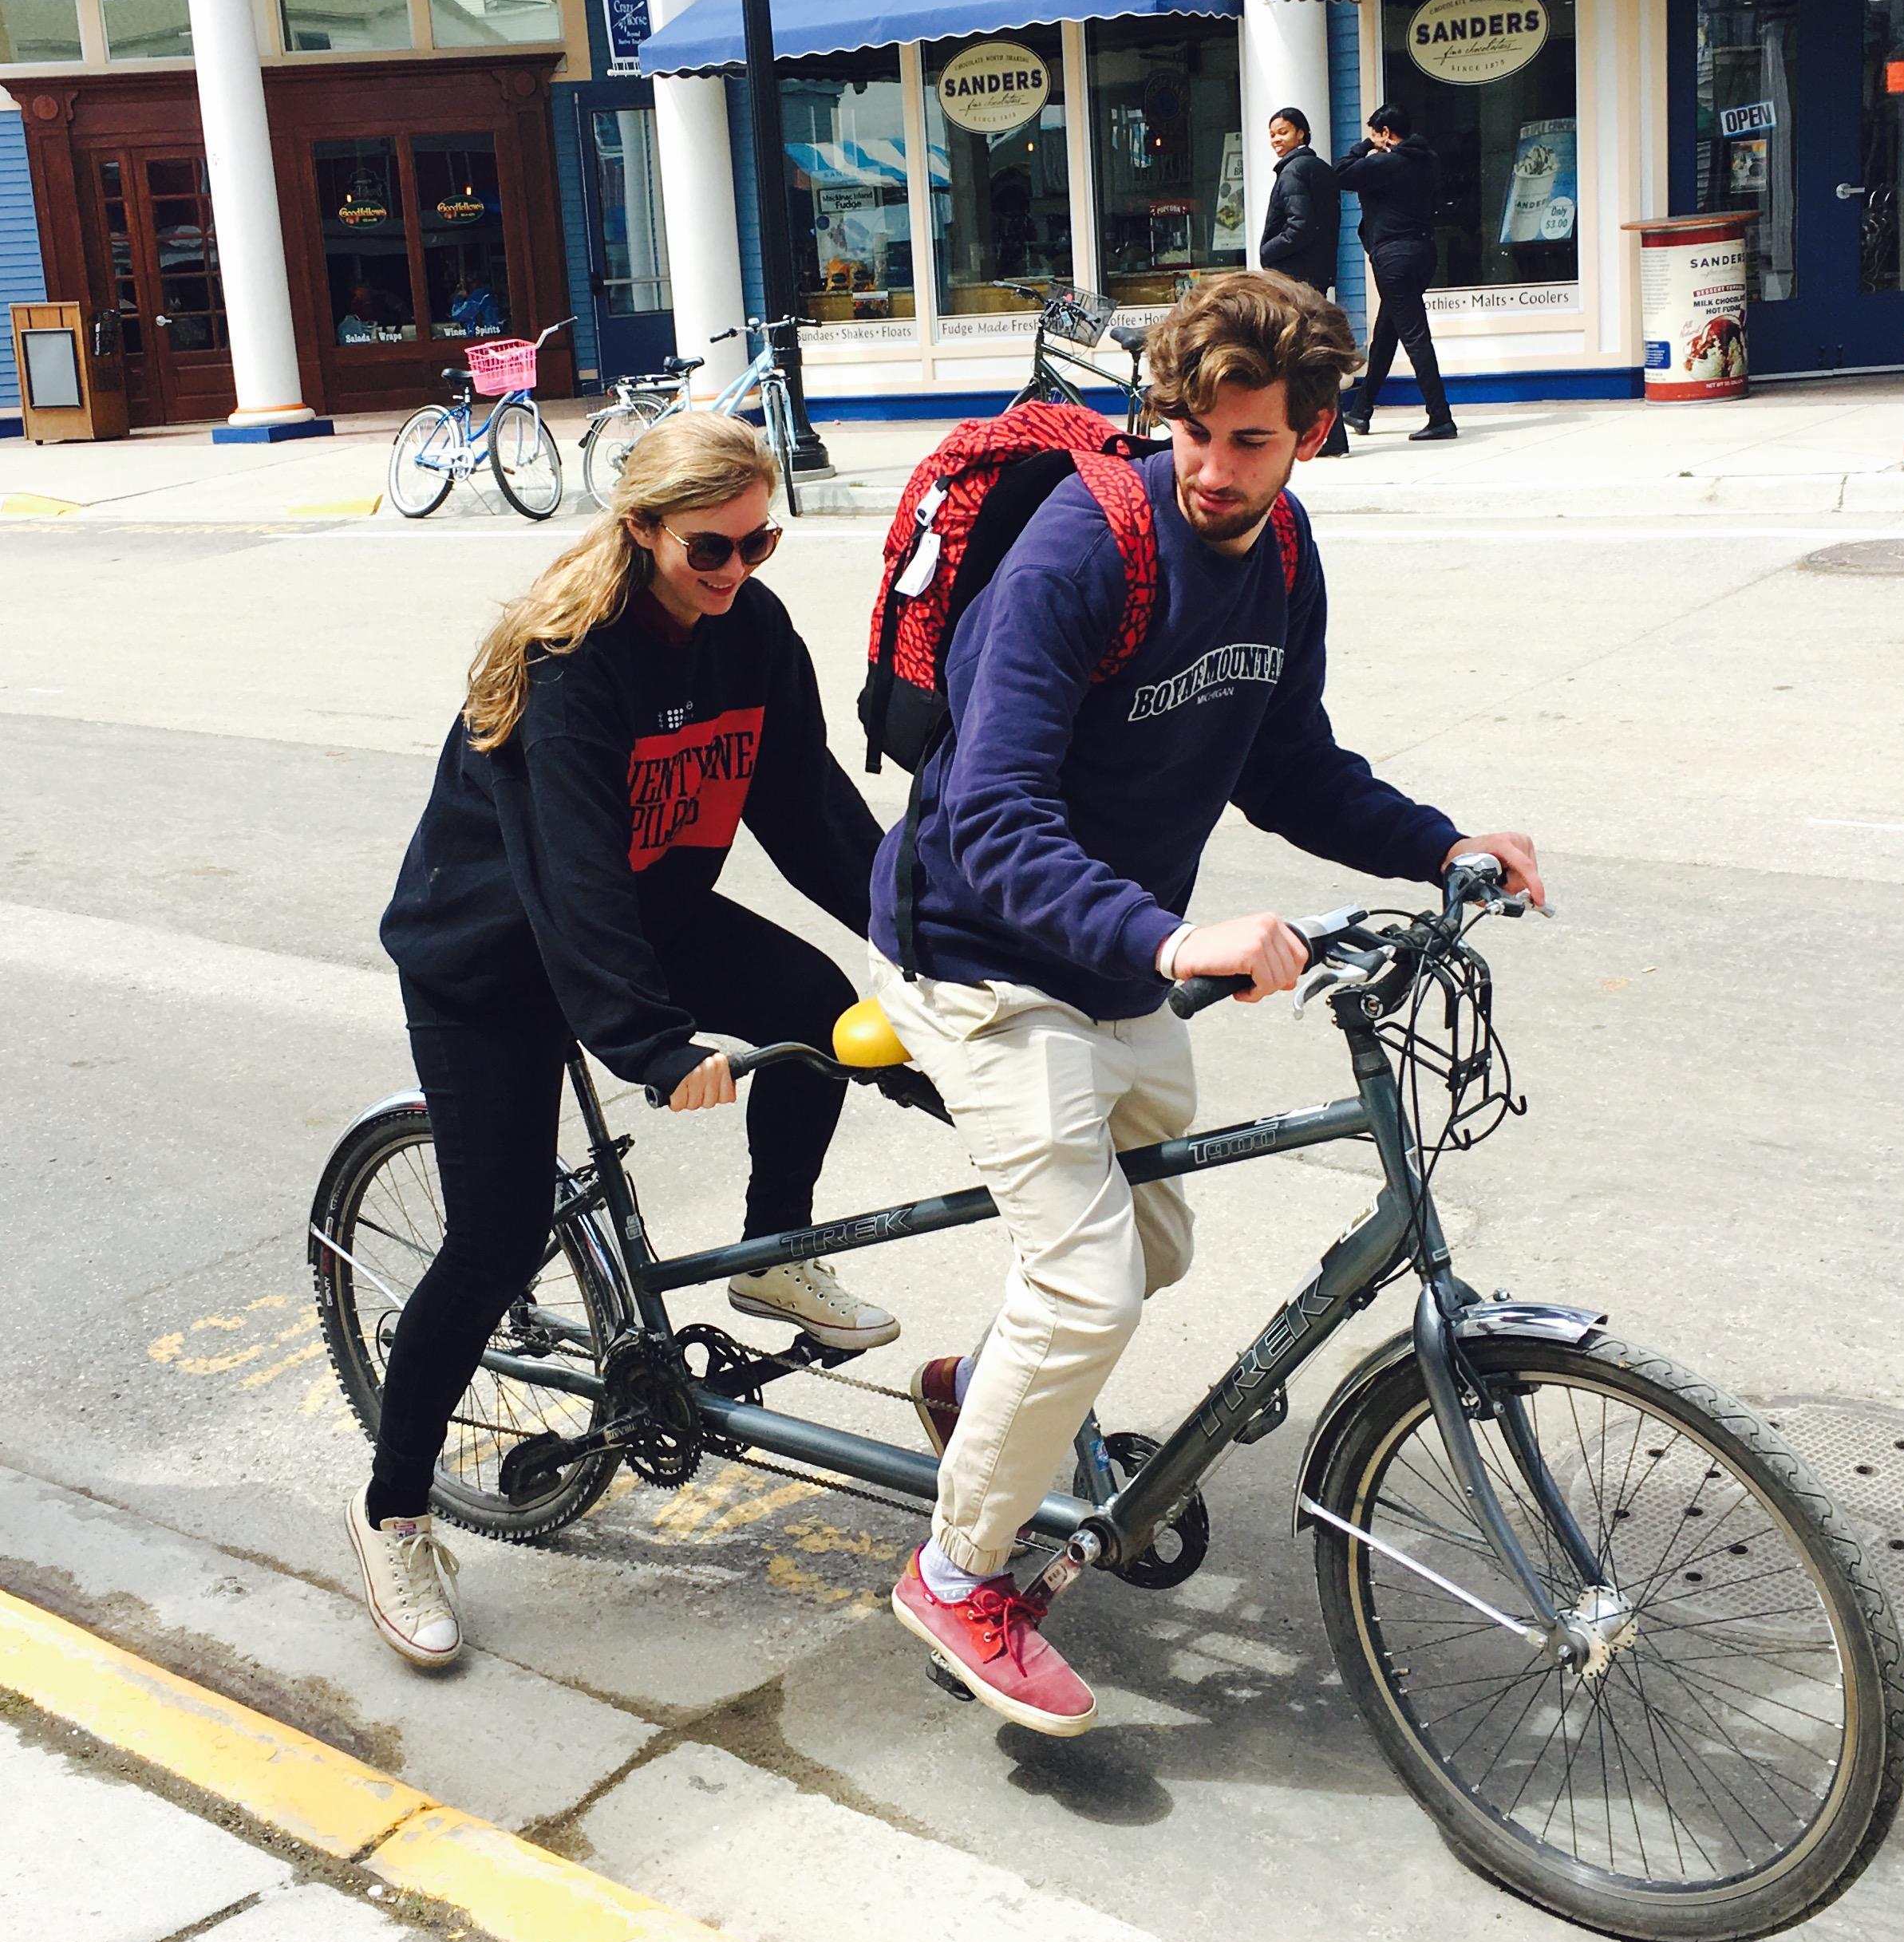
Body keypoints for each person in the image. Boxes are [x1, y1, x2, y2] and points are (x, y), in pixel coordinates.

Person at [869, 271, 1541, 1735]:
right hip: (979, 957)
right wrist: (1173, 938)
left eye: (1249, 441)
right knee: (1088, 1278)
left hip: (1120, 951)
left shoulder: (1281, 552)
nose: (1212, 469)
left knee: (1153, 1240)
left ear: (1312, 435)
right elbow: (986, 815)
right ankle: (956, 1573)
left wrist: (1442, 842)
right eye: (1190, 432)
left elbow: (1284, 758)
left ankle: (976, 1391)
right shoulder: (1079, 553)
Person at [349, 412, 894, 1671]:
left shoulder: (750, 633)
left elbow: (809, 808)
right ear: (642, 528)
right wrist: (647, 1042)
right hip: (489, 955)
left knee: (821, 1016)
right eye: (714, 545)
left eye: (763, 543)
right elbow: (573, 874)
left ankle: (774, 1254)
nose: (740, 569)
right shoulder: (569, 662)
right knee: (492, 1238)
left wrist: (927, 949)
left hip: (639, 916)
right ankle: (392, 1511)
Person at [1334, 105, 1456, 443]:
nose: (1372, 138)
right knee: (1388, 332)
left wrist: (1365, 147)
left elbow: (1341, 173)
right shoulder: (1427, 159)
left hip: (1393, 256)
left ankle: (1441, 416)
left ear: (1386, 133)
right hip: (1423, 251)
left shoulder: (1386, 163)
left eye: (1375, 132)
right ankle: (1361, 410)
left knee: (1415, 336)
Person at [1258, 108, 1349, 459]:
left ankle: (1326, 436)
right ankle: (1331, 435)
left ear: (1301, 133)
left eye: (1282, 132)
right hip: (1318, 274)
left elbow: (1301, 225)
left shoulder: (1294, 171)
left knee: (1302, 356)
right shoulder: (1320, 170)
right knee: (1315, 354)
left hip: (1297, 278)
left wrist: (1268, 252)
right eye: (1272, 134)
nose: (1276, 140)